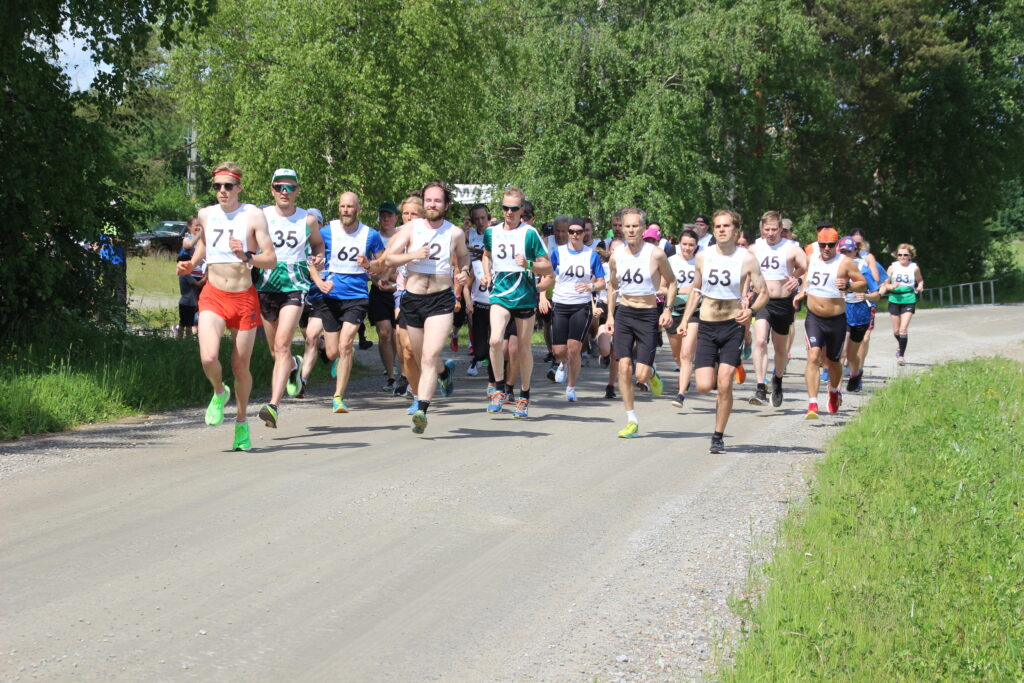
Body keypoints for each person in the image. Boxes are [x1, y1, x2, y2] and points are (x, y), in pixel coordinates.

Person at [176, 162, 276, 451]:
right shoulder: (206, 214)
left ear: (239, 187)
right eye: (217, 186)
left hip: (244, 298)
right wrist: (192, 264)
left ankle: (242, 423)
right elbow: (205, 244)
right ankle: (219, 391)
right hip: (214, 296)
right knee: (209, 357)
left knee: (239, 365)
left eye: (228, 186)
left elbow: (271, 259)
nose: (222, 191)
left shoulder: (253, 215)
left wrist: (246, 255)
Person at [679, 210, 767, 454]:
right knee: (704, 386)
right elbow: (696, 290)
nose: (721, 230)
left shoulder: (747, 259)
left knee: (725, 383)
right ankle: (721, 367)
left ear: (735, 230)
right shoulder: (703, 256)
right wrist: (685, 320)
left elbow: (764, 292)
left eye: (726, 226)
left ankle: (718, 435)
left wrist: (751, 311)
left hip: (732, 325)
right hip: (707, 325)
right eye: (717, 226)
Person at [385, 180, 470, 433]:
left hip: (441, 299)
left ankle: (422, 410)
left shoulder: (455, 233)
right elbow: (390, 258)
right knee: (421, 355)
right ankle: (444, 372)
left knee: (429, 356)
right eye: (429, 200)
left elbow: (464, 256)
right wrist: (413, 255)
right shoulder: (411, 229)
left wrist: (464, 271)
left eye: (437, 201)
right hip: (413, 299)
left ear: (446, 205)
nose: (432, 205)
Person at [255, 169, 325, 429]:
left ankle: (273, 405)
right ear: (272, 190)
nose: (284, 192)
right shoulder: (261, 216)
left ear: (297, 190)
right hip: (266, 284)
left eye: (290, 187)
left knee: (283, 345)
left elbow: (318, 244)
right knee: (276, 352)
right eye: (279, 187)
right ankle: (295, 365)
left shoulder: (307, 220)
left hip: (295, 285)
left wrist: (318, 257)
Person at [480, 186, 551, 418]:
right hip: (500, 292)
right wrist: (487, 273)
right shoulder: (491, 232)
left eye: (513, 208)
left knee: (523, 347)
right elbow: (486, 255)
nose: (508, 212)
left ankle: (524, 395)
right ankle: (499, 390)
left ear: (521, 210)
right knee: (494, 340)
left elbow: (547, 266)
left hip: (524, 294)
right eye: (505, 208)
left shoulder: (529, 233)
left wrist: (529, 264)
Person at [311, 191, 386, 413]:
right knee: (332, 352)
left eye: (350, 206)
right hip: (331, 296)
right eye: (343, 206)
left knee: (345, 345)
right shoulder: (326, 232)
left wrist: (369, 265)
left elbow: (383, 263)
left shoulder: (370, 235)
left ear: (358, 208)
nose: (346, 210)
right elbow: (310, 257)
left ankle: (338, 397)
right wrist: (319, 276)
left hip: (357, 297)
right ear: (339, 208)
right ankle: (340, 357)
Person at [605, 207, 676, 438]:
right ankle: (631, 419)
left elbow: (672, 282)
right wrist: (610, 316)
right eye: (627, 226)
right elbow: (612, 285)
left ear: (643, 228)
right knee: (624, 367)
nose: (631, 230)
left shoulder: (656, 254)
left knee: (641, 375)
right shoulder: (617, 256)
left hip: (647, 315)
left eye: (635, 226)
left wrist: (667, 309)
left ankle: (651, 373)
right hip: (625, 312)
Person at [792, 226, 867, 419]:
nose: (826, 248)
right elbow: (807, 277)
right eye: (823, 244)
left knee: (833, 362)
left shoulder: (845, 262)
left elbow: (862, 283)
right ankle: (812, 403)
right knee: (813, 356)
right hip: (814, 317)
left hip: (836, 320)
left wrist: (849, 285)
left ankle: (834, 391)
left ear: (836, 244)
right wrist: (802, 291)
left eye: (831, 245)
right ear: (818, 243)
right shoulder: (811, 258)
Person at [543, 217, 606, 401]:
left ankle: (571, 387)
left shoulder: (591, 255)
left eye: (578, 232)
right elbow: (547, 276)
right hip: (560, 304)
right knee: (559, 351)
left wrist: (591, 286)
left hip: (581, 306)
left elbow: (602, 282)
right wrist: (541, 296)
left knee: (573, 348)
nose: (575, 235)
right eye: (571, 232)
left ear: (584, 233)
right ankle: (562, 363)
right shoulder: (558, 252)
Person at [748, 210, 806, 407]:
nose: (770, 233)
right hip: (762, 299)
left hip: (783, 302)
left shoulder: (792, 249)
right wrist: (746, 293)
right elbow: (744, 272)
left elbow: (808, 268)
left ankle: (778, 381)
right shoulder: (754, 248)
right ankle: (760, 387)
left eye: (774, 229)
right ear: (762, 229)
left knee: (780, 349)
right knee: (760, 341)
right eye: (767, 230)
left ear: (781, 229)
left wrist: (797, 279)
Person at [838, 236, 881, 391]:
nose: (845, 255)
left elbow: (877, 295)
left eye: (848, 252)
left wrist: (866, 296)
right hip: (841, 311)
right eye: (842, 251)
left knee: (851, 355)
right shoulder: (834, 267)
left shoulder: (863, 268)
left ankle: (856, 373)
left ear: (855, 251)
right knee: (841, 352)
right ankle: (836, 390)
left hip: (860, 313)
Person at [666, 229, 699, 407]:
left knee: (686, 354)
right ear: (679, 244)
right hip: (674, 310)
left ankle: (681, 394)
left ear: (696, 246)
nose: (687, 248)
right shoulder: (670, 261)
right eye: (684, 244)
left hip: (694, 311)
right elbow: (660, 288)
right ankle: (685, 373)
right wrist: (679, 290)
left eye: (691, 245)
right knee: (677, 354)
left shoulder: (700, 261)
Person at [369, 201, 400, 392]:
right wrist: (378, 280)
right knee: (384, 332)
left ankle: (398, 366)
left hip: (399, 290)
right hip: (378, 291)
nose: (386, 219)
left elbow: (404, 266)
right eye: (383, 215)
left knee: (397, 335)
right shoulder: (373, 237)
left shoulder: (402, 236)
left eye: (389, 215)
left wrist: (393, 282)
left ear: (396, 217)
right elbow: (370, 267)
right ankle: (390, 375)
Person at [296, 208, 326, 398]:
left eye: (318, 223)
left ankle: (302, 381)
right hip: (301, 294)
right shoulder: (299, 243)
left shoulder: (327, 242)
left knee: (311, 337)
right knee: (309, 337)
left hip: (321, 296)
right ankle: (325, 347)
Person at [880, 243, 924, 366]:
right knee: (896, 331)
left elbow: (920, 280)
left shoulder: (914, 268)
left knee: (903, 329)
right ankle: (900, 345)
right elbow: (885, 284)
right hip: (894, 299)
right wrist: (890, 286)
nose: (902, 257)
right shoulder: (892, 267)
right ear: (896, 256)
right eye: (900, 255)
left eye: (905, 255)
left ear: (910, 256)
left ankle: (901, 356)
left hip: (909, 298)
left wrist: (920, 286)